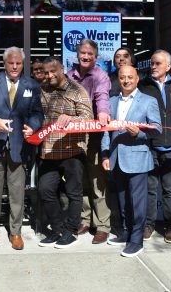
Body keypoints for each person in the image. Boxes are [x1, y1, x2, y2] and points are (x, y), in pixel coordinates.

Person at [0, 47, 43, 250]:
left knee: (17, 193)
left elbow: (37, 113)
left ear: (23, 65)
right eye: (10, 63)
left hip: (18, 146)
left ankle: (15, 232)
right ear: (4, 63)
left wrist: (33, 126)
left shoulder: (31, 84)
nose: (14, 66)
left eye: (18, 63)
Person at [102, 66, 161, 258]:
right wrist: (105, 155)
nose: (126, 80)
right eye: (122, 77)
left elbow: (157, 129)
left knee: (137, 202)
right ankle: (126, 233)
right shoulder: (110, 102)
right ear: (118, 80)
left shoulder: (149, 101)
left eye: (130, 77)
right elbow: (105, 131)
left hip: (137, 157)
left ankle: (136, 241)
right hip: (116, 158)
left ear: (137, 79)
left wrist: (140, 133)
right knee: (122, 200)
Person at [37, 57, 93, 249]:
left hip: (72, 151)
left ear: (62, 69)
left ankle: (71, 232)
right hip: (49, 150)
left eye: (53, 71)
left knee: (73, 194)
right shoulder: (43, 89)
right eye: (46, 72)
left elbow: (89, 119)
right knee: (45, 190)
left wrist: (70, 118)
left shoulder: (77, 90)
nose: (49, 75)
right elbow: (39, 115)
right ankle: (58, 228)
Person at [67, 39, 112, 244]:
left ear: (96, 57)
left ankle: (103, 225)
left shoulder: (100, 76)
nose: (85, 57)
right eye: (82, 53)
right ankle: (85, 219)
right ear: (78, 55)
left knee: (96, 182)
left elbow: (102, 97)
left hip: (93, 135)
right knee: (81, 179)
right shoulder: (69, 75)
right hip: (74, 135)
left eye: (90, 54)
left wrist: (102, 113)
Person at [137, 49, 171, 244]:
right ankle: (149, 225)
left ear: (168, 66)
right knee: (150, 188)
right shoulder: (143, 85)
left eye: (157, 63)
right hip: (150, 145)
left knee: (169, 188)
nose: (153, 66)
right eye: (152, 63)